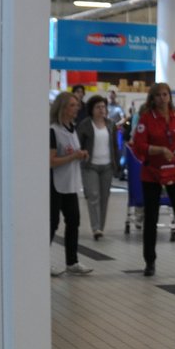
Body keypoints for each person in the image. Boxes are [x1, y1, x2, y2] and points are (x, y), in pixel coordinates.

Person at [131, 83, 175, 278]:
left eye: (166, 94)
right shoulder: (146, 119)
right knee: (151, 217)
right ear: (152, 99)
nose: (163, 98)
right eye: (159, 95)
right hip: (152, 173)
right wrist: (160, 150)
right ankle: (150, 261)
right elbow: (139, 146)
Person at [49, 91, 93, 276]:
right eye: (73, 105)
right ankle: (43, 260)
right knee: (52, 223)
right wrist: (73, 156)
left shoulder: (72, 129)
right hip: (55, 184)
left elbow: (71, 153)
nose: (77, 108)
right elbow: (50, 161)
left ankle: (72, 261)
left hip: (71, 183)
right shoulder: (53, 130)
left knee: (74, 220)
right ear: (63, 108)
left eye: (77, 105)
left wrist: (80, 155)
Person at [76, 94, 121, 241]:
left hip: (107, 166)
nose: (101, 110)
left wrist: (117, 163)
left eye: (103, 107)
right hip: (90, 166)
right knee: (93, 196)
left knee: (104, 197)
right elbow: (78, 144)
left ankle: (100, 227)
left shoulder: (111, 125)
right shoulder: (85, 125)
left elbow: (115, 145)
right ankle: (95, 228)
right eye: (98, 107)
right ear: (92, 109)